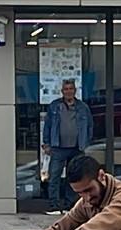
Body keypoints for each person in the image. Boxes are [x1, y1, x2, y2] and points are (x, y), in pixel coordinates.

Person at [41, 79, 93, 216]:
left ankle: (70, 204)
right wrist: (46, 143)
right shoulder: (54, 106)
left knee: (74, 177)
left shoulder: (83, 108)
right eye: (66, 89)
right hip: (58, 147)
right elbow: (48, 126)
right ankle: (54, 205)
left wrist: (85, 141)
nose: (68, 91)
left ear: (75, 90)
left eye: (71, 89)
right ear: (62, 91)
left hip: (77, 147)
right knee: (54, 177)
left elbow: (90, 126)